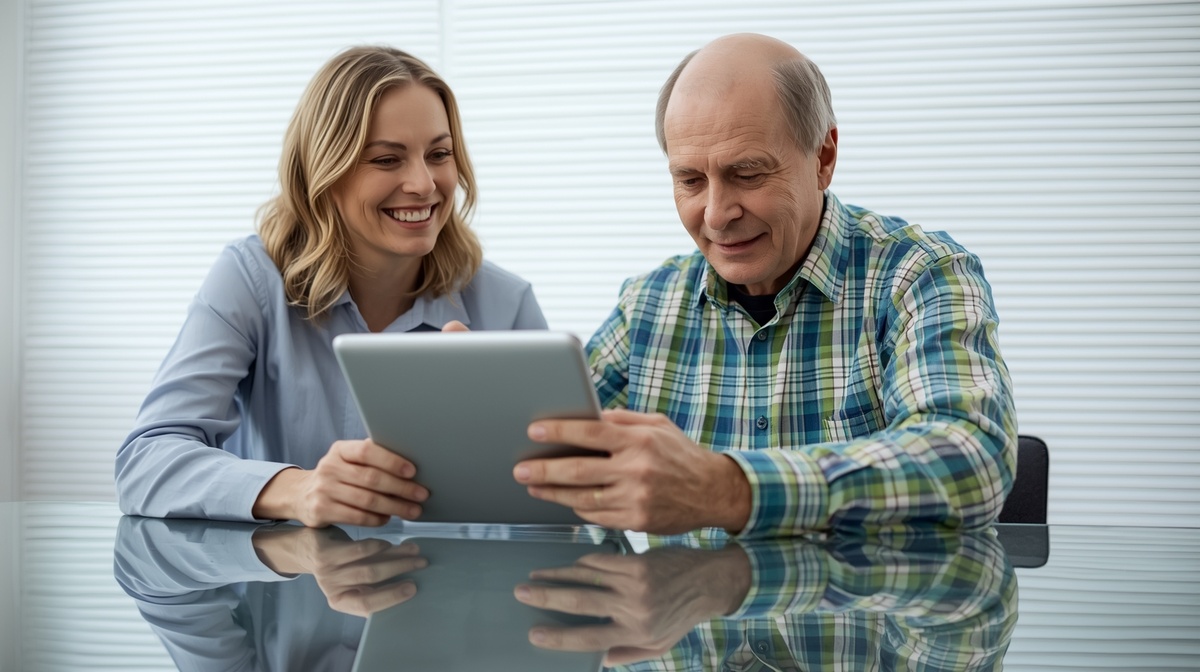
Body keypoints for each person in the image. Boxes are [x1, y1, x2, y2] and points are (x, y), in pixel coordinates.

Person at [512, 33, 1017, 536]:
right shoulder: (647, 303)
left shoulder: (919, 275)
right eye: (690, 180)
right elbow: (553, 463)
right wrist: (473, 439)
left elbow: (971, 461)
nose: (716, 214)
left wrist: (728, 489)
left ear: (823, 158)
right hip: (685, 613)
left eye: (748, 174)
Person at [115, 46, 547, 527]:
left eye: (440, 154)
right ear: (323, 169)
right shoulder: (251, 280)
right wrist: (299, 490)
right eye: (387, 160)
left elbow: (560, 506)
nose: (424, 184)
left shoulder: (506, 305)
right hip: (287, 589)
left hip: (451, 593)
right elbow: (146, 462)